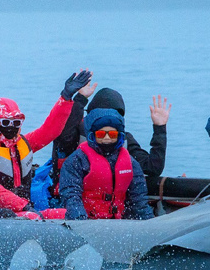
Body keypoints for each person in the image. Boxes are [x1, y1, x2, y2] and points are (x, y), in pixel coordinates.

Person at [0, 70, 91, 214]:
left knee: (66, 214)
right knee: (33, 217)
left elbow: (50, 131)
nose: (11, 126)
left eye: (16, 122)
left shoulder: (22, 143)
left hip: (22, 211)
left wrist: (66, 97)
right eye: (5, 122)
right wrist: (23, 207)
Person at [32, 85, 167, 210]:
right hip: (72, 203)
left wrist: (159, 129)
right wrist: (80, 99)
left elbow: (152, 168)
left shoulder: (123, 139)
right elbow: (63, 133)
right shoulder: (75, 134)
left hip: (111, 209)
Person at [58, 108, 152, 220]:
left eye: (112, 134)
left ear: (119, 136)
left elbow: (139, 198)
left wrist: (147, 220)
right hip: (87, 219)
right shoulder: (77, 159)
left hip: (120, 221)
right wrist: (80, 219)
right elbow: (70, 193)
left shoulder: (131, 162)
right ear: (93, 135)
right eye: (101, 134)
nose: (107, 138)